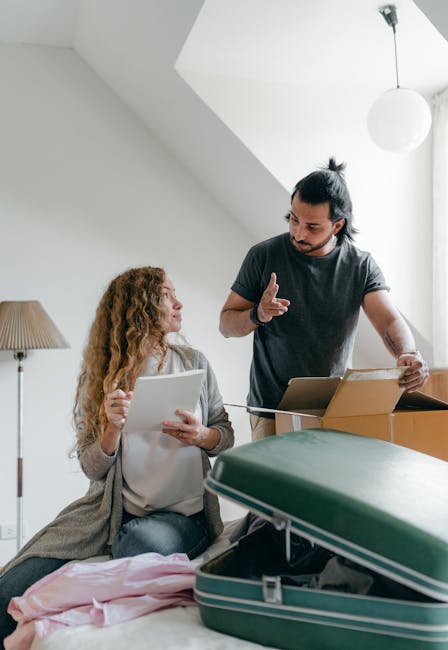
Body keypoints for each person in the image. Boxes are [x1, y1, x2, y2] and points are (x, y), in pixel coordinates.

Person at [0, 266, 233, 643]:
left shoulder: (194, 363)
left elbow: (225, 434)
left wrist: (203, 435)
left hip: (180, 517)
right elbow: (93, 469)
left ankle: (67, 607)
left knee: (138, 545)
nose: (178, 303)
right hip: (106, 514)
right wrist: (111, 428)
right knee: (9, 585)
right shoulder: (105, 376)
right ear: (140, 308)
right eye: (167, 295)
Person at [219, 158, 429, 440]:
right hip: (270, 410)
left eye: (312, 226)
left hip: (332, 408)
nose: (298, 233)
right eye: (294, 219)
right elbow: (226, 325)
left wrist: (409, 354)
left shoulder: (360, 265)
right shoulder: (264, 255)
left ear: (338, 225)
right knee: (274, 485)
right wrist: (258, 314)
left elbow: (388, 319)